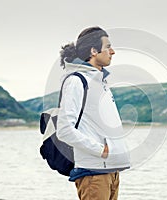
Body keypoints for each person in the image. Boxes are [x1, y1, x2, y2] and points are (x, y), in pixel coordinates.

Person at [57, 26, 130, 200]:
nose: (112, 52)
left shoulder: (100, 82)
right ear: (93, 51)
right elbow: (64, 129)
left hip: (110, 171)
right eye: (108, 47)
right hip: (94, 173)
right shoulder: (76, 81)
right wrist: (101, 151)